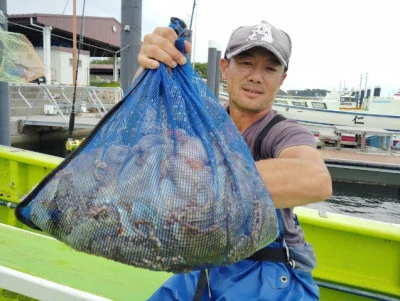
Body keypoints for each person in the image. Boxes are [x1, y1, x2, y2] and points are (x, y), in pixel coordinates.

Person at [135, 20, 332, 300]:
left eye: (270, 68)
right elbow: (143, 120)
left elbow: (316, 180)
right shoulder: (205, 120)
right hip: (206, 262)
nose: (256, 76)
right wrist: (150, 65)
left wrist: (203, 175)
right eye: (247, 62)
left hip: (270, 271)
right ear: (225, 68)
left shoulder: (282, 132)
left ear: (282, 79)